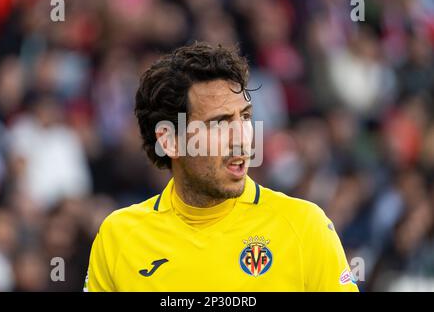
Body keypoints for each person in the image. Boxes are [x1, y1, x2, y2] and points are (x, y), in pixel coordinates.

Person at [84, 42, 359, 292]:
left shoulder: (305, 228)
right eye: (220, 123)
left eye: (246, 117)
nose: (242, 138)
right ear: (169, 141)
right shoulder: (118, 237)